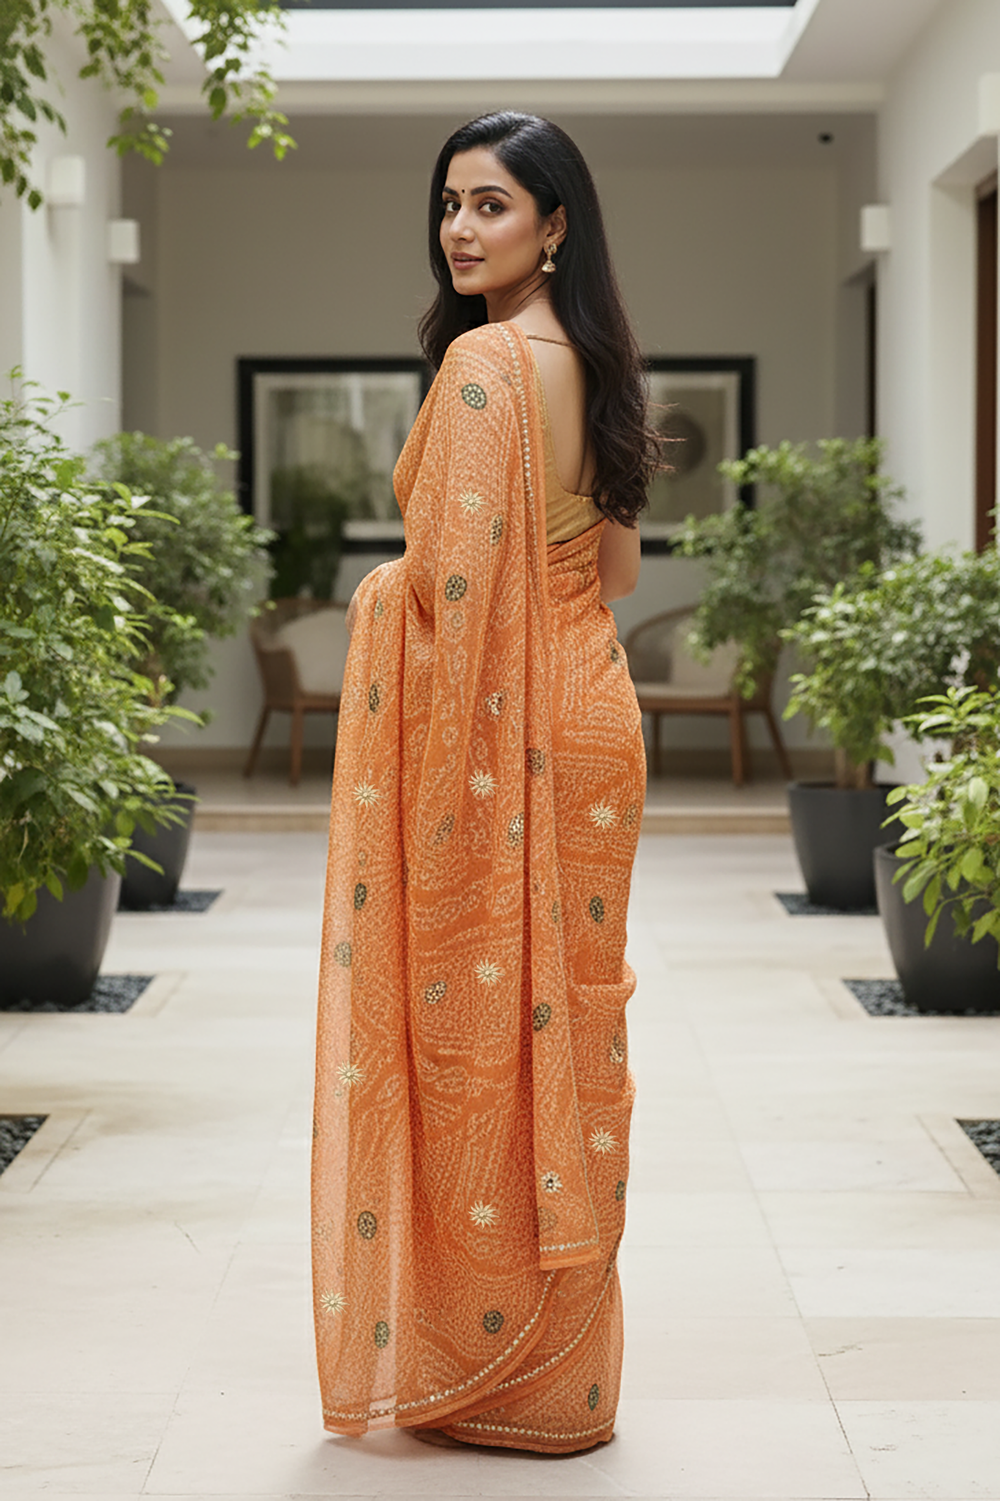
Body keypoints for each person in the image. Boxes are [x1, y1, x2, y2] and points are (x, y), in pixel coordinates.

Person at [311, 110, 656, 1456]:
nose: (461, 228)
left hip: (508, 732)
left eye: (493, 204)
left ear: (554, 224)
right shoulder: (601, 360)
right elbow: (614, 575)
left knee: (482, 1040)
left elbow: (452, 607)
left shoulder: (484, 365)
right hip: (595, 716)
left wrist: (385, 594)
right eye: (450, 203)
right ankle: (567, 1377)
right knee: (570, 1023)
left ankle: (498, 1375)